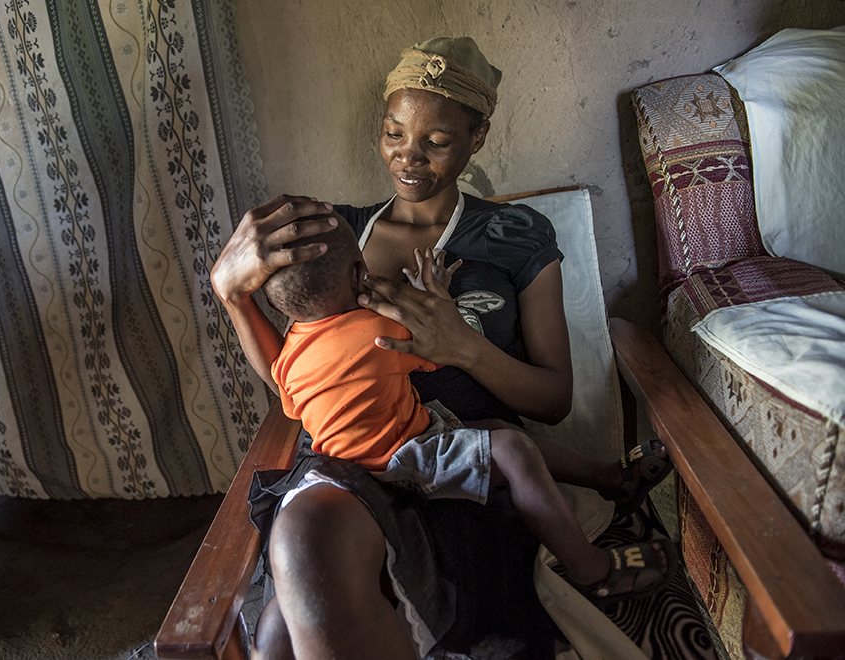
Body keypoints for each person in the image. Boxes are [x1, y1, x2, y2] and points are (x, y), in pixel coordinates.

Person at [211, 36, 674, 660]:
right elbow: (303, 379)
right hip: (353, 462)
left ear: (477, 138)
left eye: (437, 140)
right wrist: (233, 296)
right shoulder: (336, 237)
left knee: (315, 608)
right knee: (301, 542)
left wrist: (462, 347)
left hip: (459, 468)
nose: (409, 157)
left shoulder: (516, 236)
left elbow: (554, 400)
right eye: (394, 133)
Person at [258, 207, 675, 599]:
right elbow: (438, 347)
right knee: (513, 450)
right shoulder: (378, 327)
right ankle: (590, 567)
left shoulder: (288, 358)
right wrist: (433, 294)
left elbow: (295, 409)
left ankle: (611, 480)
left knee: (493, 430)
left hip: (345, 472)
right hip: (403, 463)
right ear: (357, 273)